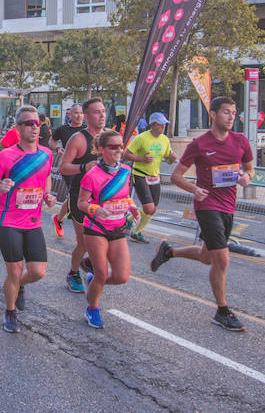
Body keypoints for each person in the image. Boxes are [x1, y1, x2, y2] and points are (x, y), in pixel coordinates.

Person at [153, 96, 254, 332]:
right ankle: (222, 311)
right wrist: (194, 189)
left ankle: (169, 251)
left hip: (229, 206)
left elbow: (250, 168)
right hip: (207, 206)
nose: (231, 117)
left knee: (208, 257)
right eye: (226, 112)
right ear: (213, 114)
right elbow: (176, 175)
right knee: (222, 259)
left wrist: (247, 177)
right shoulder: (199, 144)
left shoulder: (240, 141)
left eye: (233, 112)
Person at [0, 105, 56, 333]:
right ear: (18, 128)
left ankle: (20, 286)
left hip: (33, 221)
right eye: (29, 124)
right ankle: (10, 311)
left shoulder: (46, 154)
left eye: (38, 124)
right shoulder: (6, 156)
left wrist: (47, 195)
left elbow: (45, 179)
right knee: (14, 271)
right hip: (8, 221)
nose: (35, 128)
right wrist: (0, 187)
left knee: (38, 271)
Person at [77, 129, 139, 328]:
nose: (119, 150)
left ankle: (93, 283)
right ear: (101, 149)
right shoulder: (92, 175)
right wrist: (95, 209)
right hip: (96, 228)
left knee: (121, 276)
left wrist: (131, 206)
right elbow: (81, 203)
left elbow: (123, 196)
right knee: (103, 273)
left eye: (121, 146)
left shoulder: (126, 172)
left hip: (118, 227)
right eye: (113, 147)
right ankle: (92, 309)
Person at [58, 98, 107, 294]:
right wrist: (83, 167)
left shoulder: (109, 137)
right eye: (96, 112)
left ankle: (88, 263)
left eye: (103, 111)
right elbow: (62, 167)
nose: (101, 115)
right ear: (86, 116)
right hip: (81, 197)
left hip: (103, 198)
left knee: (104, 241)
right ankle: (73, 273)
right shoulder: (78, 139)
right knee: (85, 243)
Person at [124, 112, 178, 244]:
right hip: (140, 174)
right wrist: (142, 159)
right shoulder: (141, 138)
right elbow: (126, 155)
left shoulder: (164, 139)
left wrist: (171, 159)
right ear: (152, 125)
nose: (163, 127)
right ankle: (131, 220)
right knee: (148, 208)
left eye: (164, 124)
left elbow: (168, 158)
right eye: (160, 124)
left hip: (155, 176)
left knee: (152, 210)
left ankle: (133, 226)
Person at [48, 103, 85, 237]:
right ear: (70, 114)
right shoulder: (63, 129)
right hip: (68, 167)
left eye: (81, 113)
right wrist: (58, 148)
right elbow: (51, 141)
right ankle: (80, 233)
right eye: (76, 113)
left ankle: (58, 218)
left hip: (84, 168)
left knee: (77, 196)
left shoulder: (87, 129)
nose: (79, 115)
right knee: (77, 195)